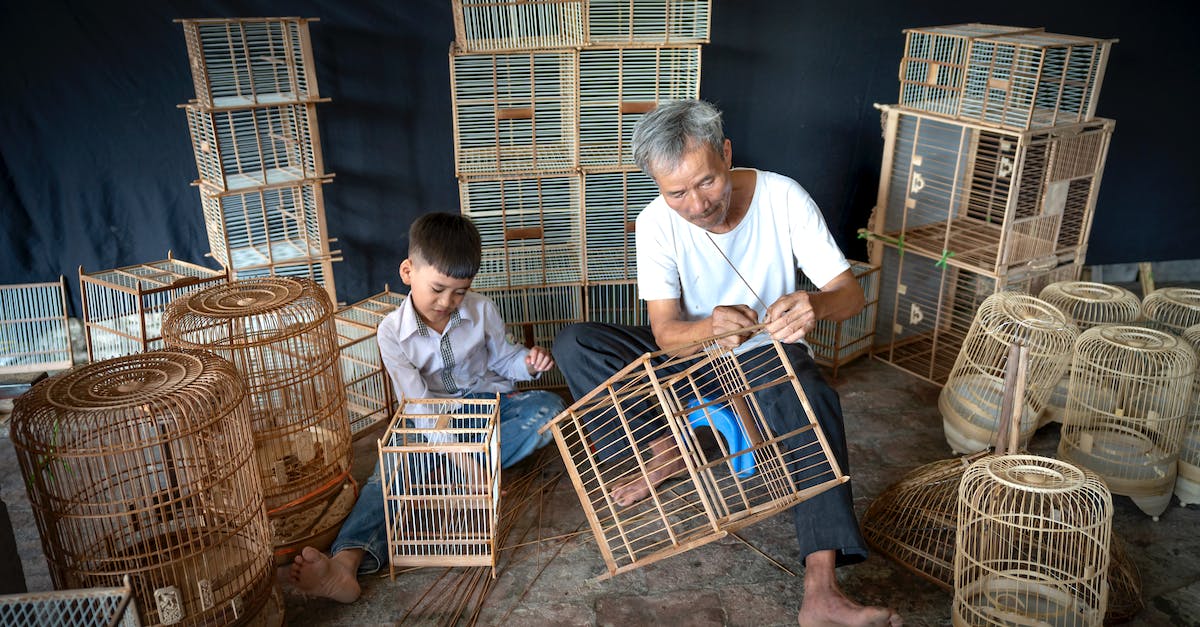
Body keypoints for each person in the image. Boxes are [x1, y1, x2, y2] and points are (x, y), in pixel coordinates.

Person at [553, 100, 902, 627]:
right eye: (676, 193)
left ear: (727, 154)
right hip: (694, 361)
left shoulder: (782, 197)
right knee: (577, 344)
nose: (696, 205)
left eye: (707, 182)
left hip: (768, 359)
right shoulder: (655, 224)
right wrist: (710, 330)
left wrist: (815, 304)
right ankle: (670, 449)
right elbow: (667, 334)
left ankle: (821, 591)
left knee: (813, 397)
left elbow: (848, 294)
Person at [287, 212, 562, 603]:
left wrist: (529, 364)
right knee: (390, 469)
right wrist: (465, 460)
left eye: (460, 292)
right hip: (429, 416)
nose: (447, 302)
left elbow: (504, 361)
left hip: (489, 406)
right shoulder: (391, 332)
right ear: (407, 271)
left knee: (549, 409)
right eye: (437, 288)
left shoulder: (482, 310)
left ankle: (442, 471)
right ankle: (346, 562)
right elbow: (416, 405)